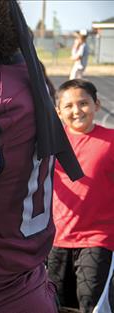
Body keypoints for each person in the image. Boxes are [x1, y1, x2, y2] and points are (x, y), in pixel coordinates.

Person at [47, 79, 114, 313]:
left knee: (90, 303)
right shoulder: (51, 144)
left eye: (83, 103)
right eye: (69, 106)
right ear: (58, 112)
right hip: (57, 239)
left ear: (97, 104)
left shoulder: (111, 141)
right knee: (56, 304)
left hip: (98, 239)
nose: (77, 111)